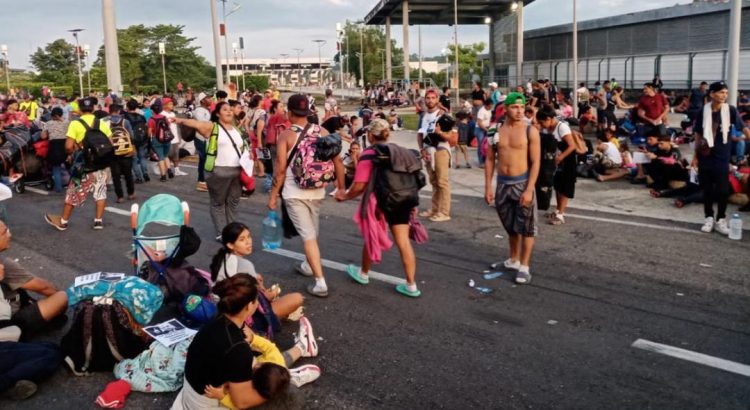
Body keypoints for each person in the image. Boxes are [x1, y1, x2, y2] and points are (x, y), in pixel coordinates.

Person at [173, 274, 319, 409]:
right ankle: (290, 377)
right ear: (249, 306)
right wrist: (276, 389)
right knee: (290, 395)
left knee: (270, 368)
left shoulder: (217, 320)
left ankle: (299, 352)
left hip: (193, 391)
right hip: (205, 403)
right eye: (257, 299)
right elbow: (241, 402)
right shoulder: (238, 349)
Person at [267, 95, 345, 298]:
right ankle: (308, 265)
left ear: (290, 113)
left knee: (308, 236)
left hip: (294, 193)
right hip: (318, 190)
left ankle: (320, 283)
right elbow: (338, 163)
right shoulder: (323, 132)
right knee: (312, 230)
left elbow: (280, 170)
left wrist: (273, 196)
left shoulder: (286, 135)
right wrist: (342, 188)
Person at [335, 119, 421, 298]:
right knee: (403, 242)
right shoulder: (400, 151)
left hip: (381, 200)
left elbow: (359, 186)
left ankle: (364, 273)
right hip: (404, 198)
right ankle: (411, 285)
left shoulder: (369, 154)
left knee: (371, 235)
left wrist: (345, 196)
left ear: (370, 135)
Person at [484, 92, 540, 284]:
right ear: (505, 109)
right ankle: (513, 259)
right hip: (502, 184)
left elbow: (536, 162)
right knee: (510, 226)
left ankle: (524, 266)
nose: (519, 111)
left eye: (522, 107)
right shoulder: (495, 131)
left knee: (527, 227)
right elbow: (490, 159)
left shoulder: (530, 130)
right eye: (515, 107)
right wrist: (488, 187)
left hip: (522, 183)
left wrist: (529, 189)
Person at [174, 102, 246, 241]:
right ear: (218, 114)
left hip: (236, 172)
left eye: (230, 110)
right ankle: (221, 232)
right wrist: (180, 120)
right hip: (218, 172)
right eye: (225, 110)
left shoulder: (236, 129)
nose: (229, 112)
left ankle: (231, 230)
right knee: (218, 203)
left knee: (233, 202)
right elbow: (195, 123)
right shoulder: (212, 127)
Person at [210, 222, 305, 320]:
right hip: (242, 315)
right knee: (297, 298)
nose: (248, 242)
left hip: (223, 307)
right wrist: (271, 294)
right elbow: (253, 302)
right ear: (230, 245)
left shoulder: (222, 257)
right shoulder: (245, 265)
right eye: (242, 239)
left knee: (259, 280)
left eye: (248, 237)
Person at [44, 97, 112, 231]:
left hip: (84, 165)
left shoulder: (75, 124)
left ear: (80, 109)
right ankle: (98, 221)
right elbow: (110, 142)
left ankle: (63, 221)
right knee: (100, 191)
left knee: (72, 191)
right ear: (93, 108)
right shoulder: (101, 123)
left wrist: (73, 151)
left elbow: (68, 146)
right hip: (101, 162)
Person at [692, 81, 744, 235]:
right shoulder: (703, 111)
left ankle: (721, 219)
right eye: (721, 92)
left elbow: (743, 127)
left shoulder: (731, 110)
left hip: (722, 155)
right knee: (707, 188)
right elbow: (698, 134)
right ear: (712, 94)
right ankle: (708, 217)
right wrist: (695, 155)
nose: (724, 95)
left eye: (726, 93)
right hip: (705, 154)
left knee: (722, 190)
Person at [0, 220, 68, 336]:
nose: (9, 235)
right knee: (62, 297)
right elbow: (44, 287)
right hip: (8, 323)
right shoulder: (4, 264)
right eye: (4, 232)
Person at [535, 105, 577, 226]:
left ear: (549, 118)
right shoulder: (548, 129)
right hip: (555, 162)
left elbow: (572, 146)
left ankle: (560, 214)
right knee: (558, 187)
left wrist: (560, 157)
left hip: (566, 162)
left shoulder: (562, 127)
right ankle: (558, 210)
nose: (541, 125)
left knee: (564, 188)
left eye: (542, 122)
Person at [417, 89, 453, 222]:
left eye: (433, 98)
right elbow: (420, 134)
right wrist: (421, 149)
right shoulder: (423, 116)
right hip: (428, 150)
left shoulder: (442, 115)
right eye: (428, 98)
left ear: (438, 99)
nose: (430, 100)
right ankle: (435, 208)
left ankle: (444, 212)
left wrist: (439, 133)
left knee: (442, 181)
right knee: (434, 182)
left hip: (441, 149)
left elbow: (451, 137)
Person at [107, 103, 136, 203]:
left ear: (109, 111)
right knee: (128, 173)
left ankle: (120, 197)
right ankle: (131, 193)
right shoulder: (125, 122)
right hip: (126, 150)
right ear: (119, 111)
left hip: (112, 152)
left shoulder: (105, 122)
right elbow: (131, 136)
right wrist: (133, 148)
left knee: (116, 176)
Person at [41, 107, 69, 193]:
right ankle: (74, 186)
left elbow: (43, 136)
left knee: (56, 168)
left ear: (53, 115)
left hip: (54, 147)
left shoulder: (48, 123)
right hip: (65, 145)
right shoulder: (67, 123)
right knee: (69, 167)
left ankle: (58, 188)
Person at [124, 99, 150, 184]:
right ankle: (145, 173)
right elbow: (145, 127)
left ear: (127, 107)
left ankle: (139, 177)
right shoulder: (141, 116)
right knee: (142, 158)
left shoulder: (125, 117)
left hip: (132, 141)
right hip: (142, 139)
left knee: (134, 160)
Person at [193, 93, 212, 192]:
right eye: (207, 98)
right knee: (203, 160)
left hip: (205, 138)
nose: (210, 99)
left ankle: (204, 181)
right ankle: (201, 181)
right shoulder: (199, 111)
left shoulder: (205, 110)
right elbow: (203, 124)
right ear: (202, 101)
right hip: (201, 138)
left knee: (204, 160)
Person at [162, 98, 187, 177]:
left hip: (175, 138)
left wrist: (178, 138)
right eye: (170, 104)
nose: (172, 105)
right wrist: (168, 122)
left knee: (176, 155)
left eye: (172, 104)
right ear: (165, 105)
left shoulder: (173, 114)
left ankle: (177, 170)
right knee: (167, 155)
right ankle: (166, 170)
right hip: (167, 138)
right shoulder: (162, 114)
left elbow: (176, 126)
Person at [148, 100, 172, 182]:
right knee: (166, 155)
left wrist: (150, 140)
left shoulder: (151, 119)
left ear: (152, 110)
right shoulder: (164, 117)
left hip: (157, 140)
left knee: (160, 158)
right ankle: (169, 170)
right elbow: (168, 126)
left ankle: (163, 176)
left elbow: (149, 133)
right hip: (166, 139)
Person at [475, 99, 493, 167]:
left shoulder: (489, 110)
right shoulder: (481, 111)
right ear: (486, 105)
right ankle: (481, 162)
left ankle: (486, 160)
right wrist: (486, 130)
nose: (491, 107)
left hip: (486, 128)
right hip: (480, 129)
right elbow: (479, 123)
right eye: (490, 106)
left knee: (486, 146)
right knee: (481, 145)